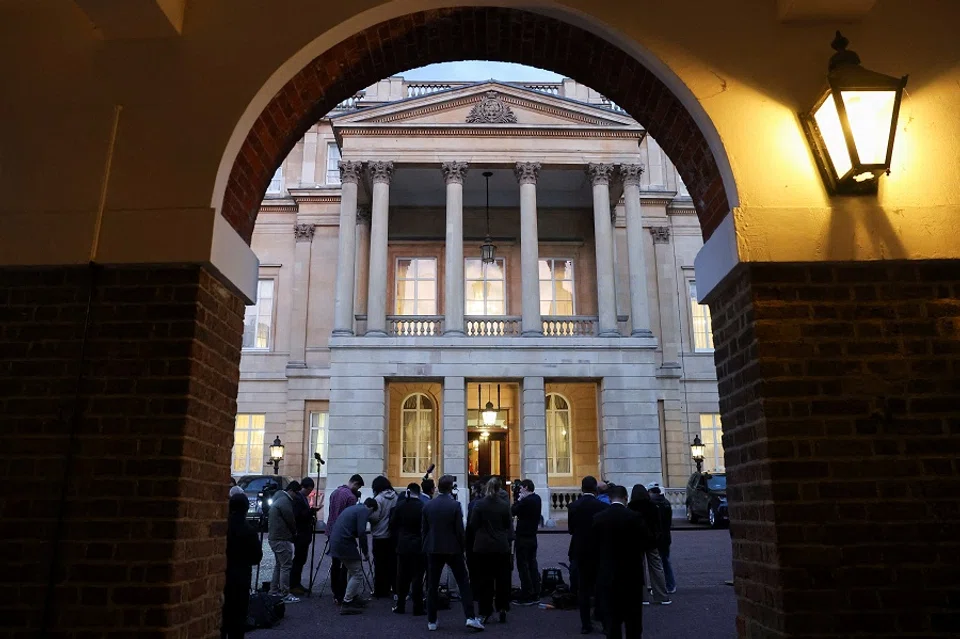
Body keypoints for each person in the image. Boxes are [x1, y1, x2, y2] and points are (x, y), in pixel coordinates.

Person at [421, 474, 484, 632]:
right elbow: (459, 531)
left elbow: (424, 530)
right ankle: (470, 617)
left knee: (432, 585)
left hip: (433, 547)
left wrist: (426, 546)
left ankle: (432, 620)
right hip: (452, 548)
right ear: (450, 488)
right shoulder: (455, 505)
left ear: (438, 487)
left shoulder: (428, 505)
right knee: (463, 582)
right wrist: (462, 548)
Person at [593, 485, 648, 639]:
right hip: (632, 576)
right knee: (634, 625)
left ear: (610, 498)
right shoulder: (635, 517)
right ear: (626, 498)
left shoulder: (599, 518)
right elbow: (647, 543)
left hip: (608, 576)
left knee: (612, 625)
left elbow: (594, 549)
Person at [468, 477, 513, 624]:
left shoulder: (480, 505)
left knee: (485, 580)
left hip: (483, 546)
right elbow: (507, 524)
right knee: (502, 580)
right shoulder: (504, 505)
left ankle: (485, 611)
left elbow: (473, 525)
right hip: (501, 545)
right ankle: (502, 608)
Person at [567, 475, 609, 634]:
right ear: (595, 489)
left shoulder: (573, 506)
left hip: (580, 551)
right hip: (598, 551)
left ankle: (585, 625)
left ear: (582, 488)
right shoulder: (602, 507)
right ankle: (604, 621)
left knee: (583, 589)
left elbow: (571, 530)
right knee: (601, 587)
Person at [222, 492, 263, 639]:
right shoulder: (249, 530)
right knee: (238, 620)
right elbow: (256, 557)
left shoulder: (222, 527)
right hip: (241, 578)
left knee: (221, 617)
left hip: (223, 576)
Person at [330, 497, 378, 614]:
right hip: (344, 544)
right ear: (371, 508)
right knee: (358, 573)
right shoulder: (364, 511)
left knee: (352, 570)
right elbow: (362, 532)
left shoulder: (354, 508)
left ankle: (353, 597)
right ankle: (347, 602)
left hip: (337, 541)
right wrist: (366, 552)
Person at [628, 485, 671, 606]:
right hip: (651, 541)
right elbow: (659, 525)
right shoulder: (653, 506)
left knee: (638, 569)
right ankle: (661, 596)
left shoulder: (631, 507)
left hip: (636, 542)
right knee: (657, 568)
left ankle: (642, 597)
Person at [326, 474, 364, 604]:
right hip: (343, 534)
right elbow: (350, 519)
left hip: (331, 531)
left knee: (335, 564)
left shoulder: (335, 492)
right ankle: (343, 593)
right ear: (355, 483)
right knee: (346, 565)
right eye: (358, 486)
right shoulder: (350, 497)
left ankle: (335, 592)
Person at [391, 483, 426, 615]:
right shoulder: (423, 506)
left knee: (402, 576)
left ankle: (400, 605)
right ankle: (418, 607)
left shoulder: (400, 506)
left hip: (403, 544)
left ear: (408, 492)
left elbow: (393, 524)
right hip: (418, 544)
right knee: (417, 576)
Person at [267, 481, 301, 603]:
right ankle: (285, 593)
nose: (296, 496)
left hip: (274, 538)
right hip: (282, 538)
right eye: (296, 493)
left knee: (279, 565)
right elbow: (290, 519)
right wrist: (294, 532)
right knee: (286, 566)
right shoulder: (285, 501)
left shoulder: (278, 497)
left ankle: (273, 591)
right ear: (291, 490)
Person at [511, 479, 542, 605]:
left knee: (523, 566)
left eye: (522, 488)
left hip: (523, 536)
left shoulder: (526, 501)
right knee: (532, 564)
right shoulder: (537, 498)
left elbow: (513, 511)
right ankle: (535, 591)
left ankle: (527, 593)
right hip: (532, 536)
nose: (520, 490)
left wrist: (518, 499)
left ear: (526, 487)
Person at [290, 477, 322, 596]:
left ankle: (296, 583)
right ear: (305, 487)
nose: (310, 492)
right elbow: (298, 515)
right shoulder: (298, 498)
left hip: (305, 532)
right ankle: (293, 584)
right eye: (309, 489)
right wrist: (311, 511)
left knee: (301, 559)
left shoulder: (302, 498)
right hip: (301, 533)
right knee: (298, 559)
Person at [369, 475, 399, 598]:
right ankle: (394, 587)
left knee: (380, 565)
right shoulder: (395, 496)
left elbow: (375, 518)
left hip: (380, 535)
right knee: (392, 563)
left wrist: (368, 515)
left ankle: (381, 590)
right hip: (392, 535)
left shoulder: (378, 499)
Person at [647, 483, 675, 594]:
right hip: (666, 536)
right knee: (665, 561)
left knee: (659, 564)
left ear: (650, 492)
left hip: (658, 537)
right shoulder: (666, 502)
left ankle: (665, 585)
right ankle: (670, 584)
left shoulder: (653, 504)